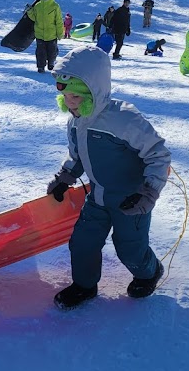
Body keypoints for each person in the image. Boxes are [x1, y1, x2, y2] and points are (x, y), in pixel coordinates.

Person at [46, 46, 171, 309]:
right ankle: (84, 285)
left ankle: (149, 272)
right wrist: (66, 176)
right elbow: (77, 155)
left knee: (129, 248)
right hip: (98, 196)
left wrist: (148, 192)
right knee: (83, 242)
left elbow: (158, 154)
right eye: (66, 95)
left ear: (94, 90)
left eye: (76, 96)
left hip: (132, 199)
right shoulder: (76, 120)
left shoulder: (123, 119)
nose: (70, 102)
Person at [26, 0, 64, 72]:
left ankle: (51, 62)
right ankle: (41, 66)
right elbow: (34, 18)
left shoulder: (55, 6)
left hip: (51, 35)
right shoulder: (37, 6)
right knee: (40, 52)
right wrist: (29, 11)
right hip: (40, 34)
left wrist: (60, 33)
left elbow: (59, 21)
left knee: (52, 51)